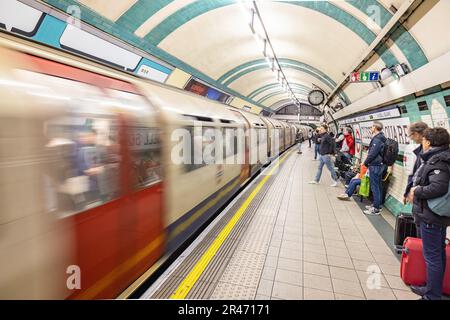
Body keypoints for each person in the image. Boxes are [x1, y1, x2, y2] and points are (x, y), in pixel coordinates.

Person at [408, 127, 450, 300]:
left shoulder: (438, 161)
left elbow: (438, 187)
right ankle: (431, 288)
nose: (422, 143)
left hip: (432, 215)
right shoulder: (441, 157)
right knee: (437, 254)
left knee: (433, 256)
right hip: (436, 214)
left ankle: (432, 295)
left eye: (424, 140)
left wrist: (417, 190)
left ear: (429, 142)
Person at [403, 121, 429, 238]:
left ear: (417, 134)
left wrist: (414, 191)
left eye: (411, 135)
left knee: (426, 239)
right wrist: (407, 191)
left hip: (426, 204)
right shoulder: (421, 151)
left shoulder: (430, 154)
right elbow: (414, 173)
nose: (412, 139)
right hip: (419, 202)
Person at [363, 121, 387, 215]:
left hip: (376, 165)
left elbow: (373, 153)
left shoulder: (377, 139)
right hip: (379, 165)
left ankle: (376, 208)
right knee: (378, 186)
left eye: (372, 126)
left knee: (375, 186)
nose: (371, 128)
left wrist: (365, 162)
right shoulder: (382, 137)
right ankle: (377, 205)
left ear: (375, 127)